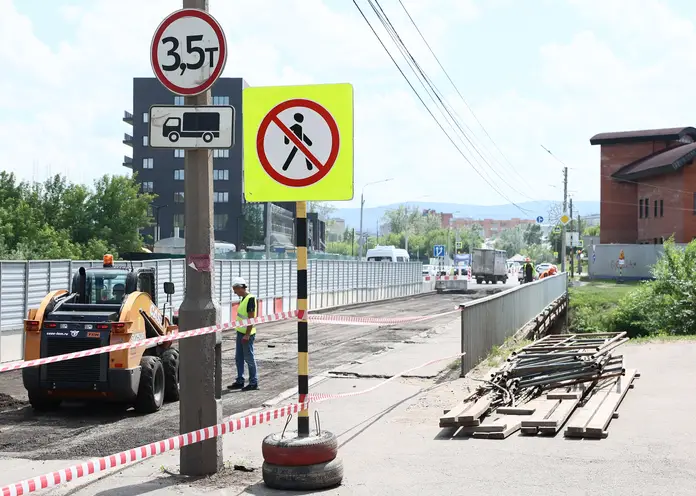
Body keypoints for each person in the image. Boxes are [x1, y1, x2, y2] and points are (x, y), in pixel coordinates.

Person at [227, 277, 259, 391]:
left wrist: (247, 334)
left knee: (249, 358)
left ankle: (253, 382)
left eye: (235, 289)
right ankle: (240, 380)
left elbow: (251, 319)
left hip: (247, 334)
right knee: (239, 358)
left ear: (240, 287)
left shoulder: (250, 299)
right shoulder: (243, 299)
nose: (234, 292)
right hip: (241, 333)